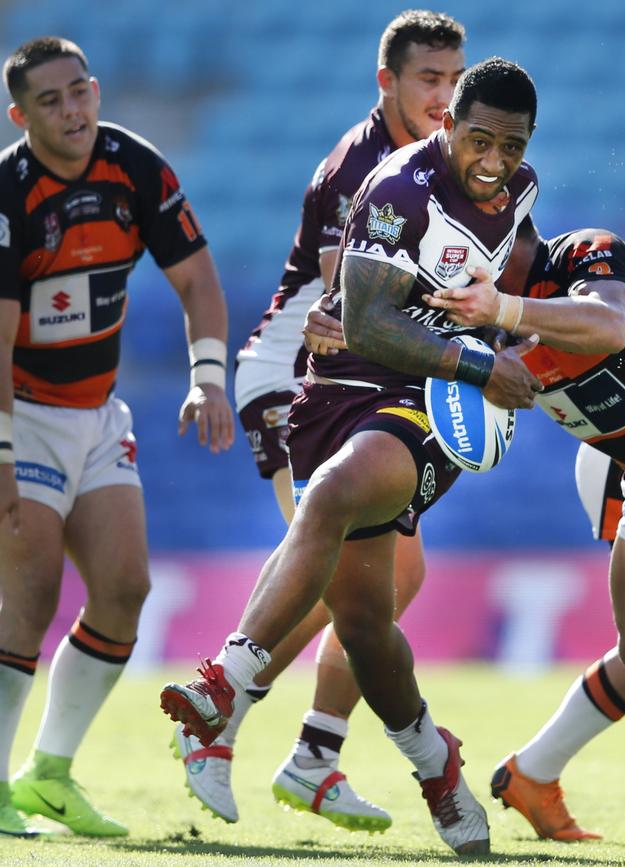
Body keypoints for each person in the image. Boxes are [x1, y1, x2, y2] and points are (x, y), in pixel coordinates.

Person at [161, 57, 542, 857]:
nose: (494, 162)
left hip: (423, 404)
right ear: (448, 127)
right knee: (366, 624)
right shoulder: (403, 191)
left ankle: (224, 682)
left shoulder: (519, 188)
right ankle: (437, 769)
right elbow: (366, 324)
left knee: (333, 496)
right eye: (479, 140)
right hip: (335, 391)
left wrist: (514, 331)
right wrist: (484, 360)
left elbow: (519, 254)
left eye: (511, 145)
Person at [0, 37, 233, 838]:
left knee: (125, 589)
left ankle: (48, 773)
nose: (73, 111)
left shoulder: (136, 168)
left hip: (98, 416)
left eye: (81, 92)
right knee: (26, 600)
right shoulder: (8, 193)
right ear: (20, 114)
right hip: (19, 410)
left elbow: (197, 278)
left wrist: (209, 375)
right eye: (52, 101)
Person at [425, 220, 625, 840]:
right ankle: (533, 774)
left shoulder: (587, 252)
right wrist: (340, 335)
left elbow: (609, 324)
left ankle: (535, 770)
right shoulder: (477, 328)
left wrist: (504, 306)